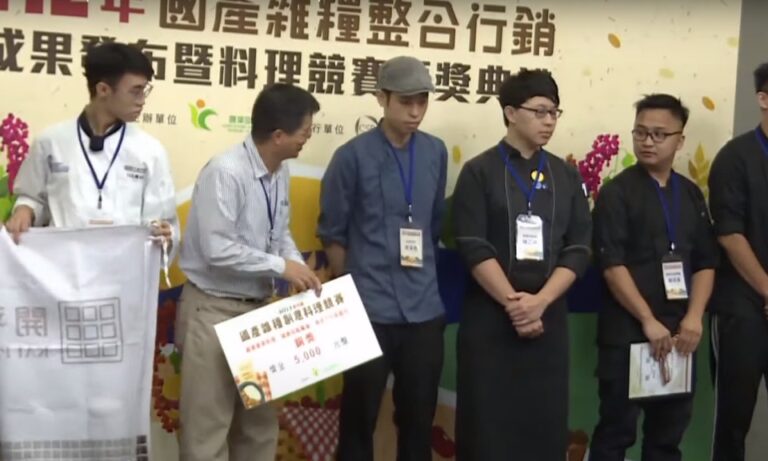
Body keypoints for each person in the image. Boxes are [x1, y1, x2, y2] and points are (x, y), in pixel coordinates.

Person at [175, 83, 322, 461]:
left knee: (258, 428)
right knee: (207, 431)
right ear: (278, 135)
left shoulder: (280, 172)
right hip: (213, 311)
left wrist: (298, 268)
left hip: (258, 316)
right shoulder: (225, 172)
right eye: (305, 131)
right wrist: (281, 267)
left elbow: (280, 233)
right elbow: (217, 249)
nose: (308, 138)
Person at [452, 68, 592, 460]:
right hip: (492, 318)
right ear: (511, 113)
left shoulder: (565, 176)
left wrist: (540, 302)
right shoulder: (479, 171)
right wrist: (515, 305)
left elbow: (578, 247)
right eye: (540, 111)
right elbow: (473, 246)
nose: (549, 121)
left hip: (548, 319)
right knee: (487, 428)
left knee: (543, 428)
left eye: (554, 113)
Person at [317, 56, 448, 461]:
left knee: (418, 421)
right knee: (359, 420)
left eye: (422, 101)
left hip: (423, 309)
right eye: (406, 102)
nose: (415, 112)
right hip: (368, 309)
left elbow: (434, 223)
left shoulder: (435, 152)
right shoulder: (351, 156)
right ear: (381, 98)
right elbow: (333, 231)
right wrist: (353, 292)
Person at [588, 94, 718, 460]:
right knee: (615, 434)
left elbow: (706, 262)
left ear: (680, 140)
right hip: (629, 334)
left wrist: (694, 318)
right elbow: (611, 265)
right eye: (641, 132)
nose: (648, 141)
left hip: (680, 337)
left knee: (666, 440)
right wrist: (647, 319)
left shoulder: (691, 194)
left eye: (659, 134)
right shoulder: (616, 193)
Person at [4, 41, 176, 245]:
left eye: (144, 90)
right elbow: (31, 198)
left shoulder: (150, 150)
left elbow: (163, 223)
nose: (142, 100)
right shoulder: (51, 142)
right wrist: (25, 211)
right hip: (61, 260)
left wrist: (164, 235)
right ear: (103, 89)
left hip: (124, 261)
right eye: (135, 91)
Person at [709, 62, 768, 461]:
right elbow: (730, 234)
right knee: (733, 418)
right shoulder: (735, 158)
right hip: (742, 305)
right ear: (763, 99)